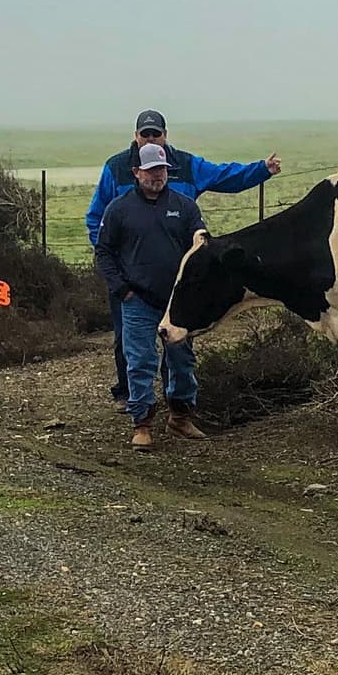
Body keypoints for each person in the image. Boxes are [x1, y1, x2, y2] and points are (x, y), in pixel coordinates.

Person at [85, 109, 282, 409]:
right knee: (128, 340)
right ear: (135, 137)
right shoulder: (116, 168)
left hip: (179, 278)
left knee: (178, 338)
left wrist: (261, 170)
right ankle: (130, 396)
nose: (151, 138)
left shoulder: (187, 165)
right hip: (129, 279)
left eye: (156, 133)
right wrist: (114, 268)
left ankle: (175, 402)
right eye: (145, 134)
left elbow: (223, 175)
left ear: (165, 136)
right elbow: (96, 216)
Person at [95, 143, 207, 452]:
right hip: (137, 301)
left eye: (162, 170)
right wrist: (122, 290)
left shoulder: (185, 206)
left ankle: (181, 416)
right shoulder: (118, 208)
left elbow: (200, 245)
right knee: (140, 361)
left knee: (182, 361)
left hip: (177, 301)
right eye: (151, 170)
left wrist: (200, 244)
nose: (157, 176)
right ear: (136, 172)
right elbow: (104, 252)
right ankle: (142, 424)